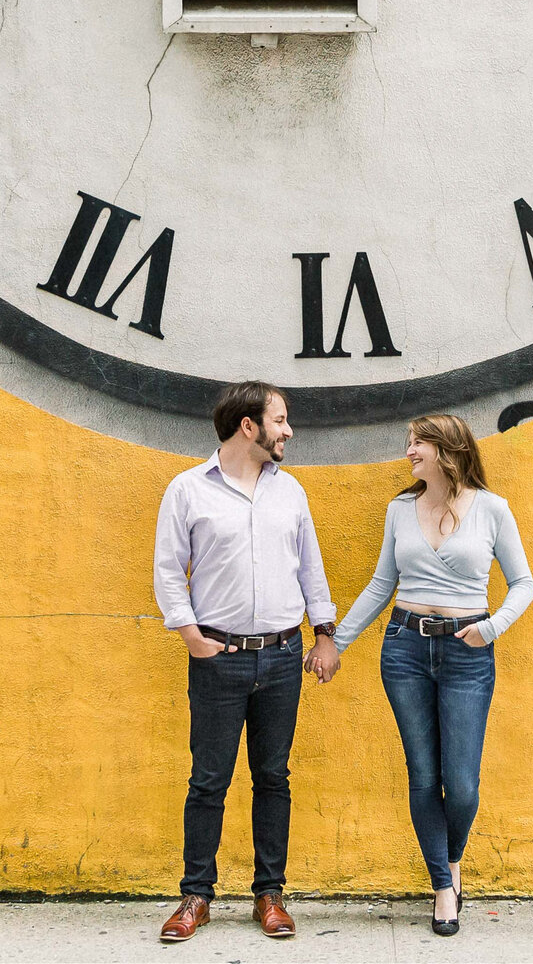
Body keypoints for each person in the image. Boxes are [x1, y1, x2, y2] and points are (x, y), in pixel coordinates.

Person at [331, 414, 533, 936]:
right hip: (405, 650)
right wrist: (337, 642)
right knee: (423, 776)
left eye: (417, 443)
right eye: (408, 443)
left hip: (468, 652)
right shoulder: (401, 509)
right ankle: (444, 887)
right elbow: (381, 586)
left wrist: (491, 629)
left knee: (462, 785)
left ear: (448, 449)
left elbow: (523, 584)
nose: (408, 452)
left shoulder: (492, 510)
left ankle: (453, 858)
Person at [152, 381, 341, 943]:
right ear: (248, 426)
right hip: (218, 656)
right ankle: (195, 895)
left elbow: (312, 568)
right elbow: (169, 569)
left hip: (283, 657)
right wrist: (188, 633)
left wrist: (324, 633)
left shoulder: (291, 492)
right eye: (280, 420)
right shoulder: (188, 490)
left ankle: (270, 895)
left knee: (273, 777)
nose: (289, 430)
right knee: (208, 780)